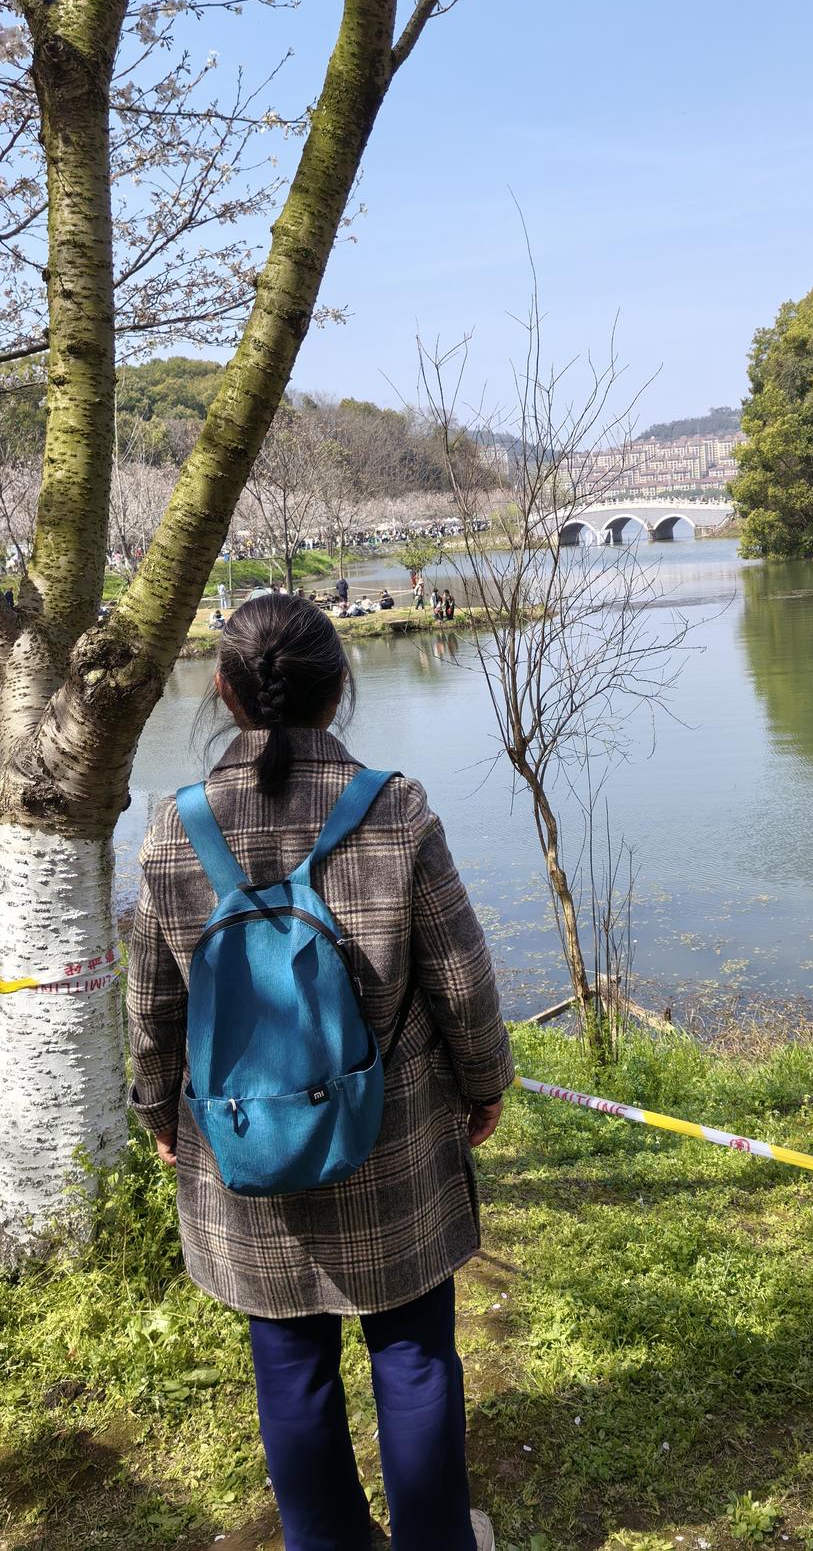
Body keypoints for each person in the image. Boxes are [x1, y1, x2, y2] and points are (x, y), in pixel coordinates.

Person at [126, 594, 511, 1551]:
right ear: (339, 689)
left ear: (225, 692)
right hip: (392, 1135)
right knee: (415, 1356)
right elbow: (463, 981)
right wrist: (484, 1084)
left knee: (289, 1361)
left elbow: (153, 1003)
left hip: (243, 1146)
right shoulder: (393, 809)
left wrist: (157, 1108)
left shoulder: (175, 827)